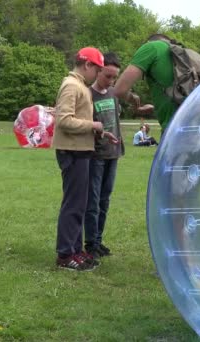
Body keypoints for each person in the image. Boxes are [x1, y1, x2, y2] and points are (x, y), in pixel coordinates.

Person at [53, 47, 117, 271]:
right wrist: (93, 125)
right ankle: (65, 255)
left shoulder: (79, 86)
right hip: (72, 152)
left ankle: (75, 250)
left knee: (79, 204)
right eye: (98, 69)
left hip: (81, 150)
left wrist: (100, 131)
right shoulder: (71, 86)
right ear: (87, 65)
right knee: (73, 204)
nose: (98, 74)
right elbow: (63, 121)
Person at [84, 52, 123, 259]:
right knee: (93, 201)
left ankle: (98, 241)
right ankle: (90, 243)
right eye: (108, 75)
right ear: (98, 71)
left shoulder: (113, 94)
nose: (111, 80)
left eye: (114, 77)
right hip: (95, 155)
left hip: (112, 154)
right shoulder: (88, 95)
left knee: (105, 200)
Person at [113, 33, 180, 135]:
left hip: (174, 130)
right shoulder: (181, 55)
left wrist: (133, 99)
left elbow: (119, 90)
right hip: (196, 126)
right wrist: (155, 108)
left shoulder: (151, 47)